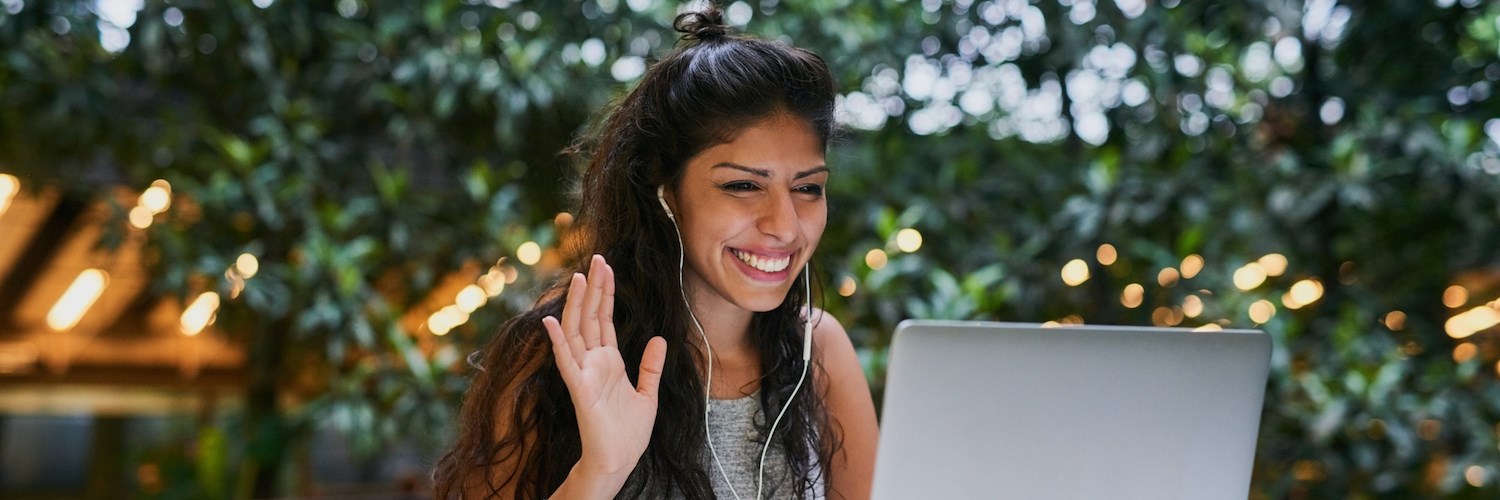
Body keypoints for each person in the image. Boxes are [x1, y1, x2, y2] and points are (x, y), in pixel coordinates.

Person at [433, 6, 878, 499]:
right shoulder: (563, 350)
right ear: (666, 191)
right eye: (743, 185)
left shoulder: (820, 348)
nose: (785, 226)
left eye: (808, 188)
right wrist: (601, 469)